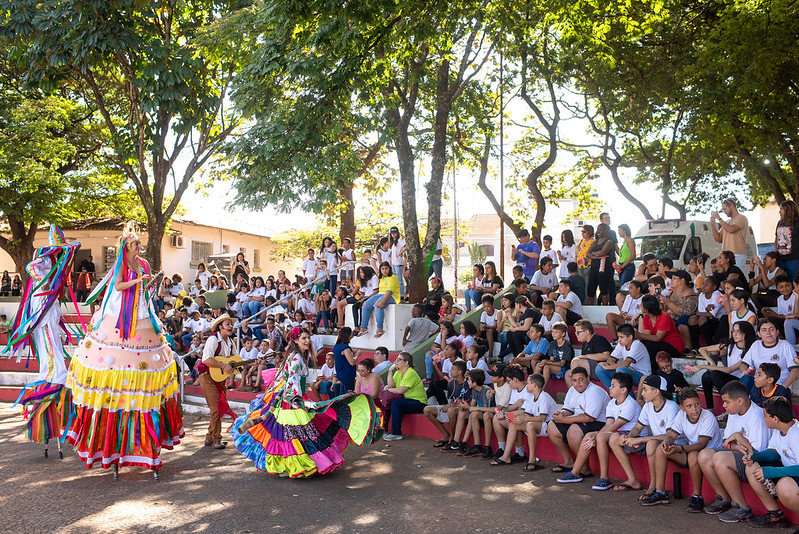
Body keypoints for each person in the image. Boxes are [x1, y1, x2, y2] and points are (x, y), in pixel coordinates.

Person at [63, 225, 184, 473]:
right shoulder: (122, 264)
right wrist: (137, 280)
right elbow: (118, 286)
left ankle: (143, 444)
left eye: (139, 244)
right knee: (115, 360)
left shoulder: (143, 263)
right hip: (121, 312)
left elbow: (144, 285)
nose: (139, 248)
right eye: (135, 245)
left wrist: (149, 281)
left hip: (141, 307)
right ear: (127, 247)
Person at [232, 328, 383, 477]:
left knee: (289, 434)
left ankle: (291, 465)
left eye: (308, 338)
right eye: (303, 338)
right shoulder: (296, 357)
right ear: (296, 340)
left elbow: (286, 377)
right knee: (294, 433)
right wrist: (296, 400)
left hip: (287, 397)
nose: (307, 340)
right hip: (291, 399)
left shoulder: (293, 355)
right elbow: (292, 380)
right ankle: (294, 465)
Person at [4, 226, 79, 449]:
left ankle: (56, 373)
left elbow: (71, 250)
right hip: (40, 310)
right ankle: (53, 374)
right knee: (47, 342)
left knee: (53, 340)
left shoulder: (56, 261)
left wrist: (64, 251)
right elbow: (31, 268)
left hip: (50, 308)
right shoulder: (41, 259)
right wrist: (48, 268)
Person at [696, 380, 770, 521]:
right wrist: (736, 445)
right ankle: (724, 499)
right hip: (739, 455)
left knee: (719, 458)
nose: (723, 405)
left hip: (754, 462)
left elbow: (755, 452)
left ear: (740, 400)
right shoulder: (733, 412)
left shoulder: (757, 416)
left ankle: (741, 507)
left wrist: (737, 439)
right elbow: (726, 442)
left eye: (726, 402)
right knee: (704, 455)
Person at [640, 388, 722, 507]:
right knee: (661, 449)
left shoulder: (708, 416)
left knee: (694, 455)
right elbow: (671, 435)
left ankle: (697, 496)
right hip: (690, 451)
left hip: (709, 454)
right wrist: (667, 442)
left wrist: (680, 449)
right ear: (682, 407)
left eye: (697, 404)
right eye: (689, 406)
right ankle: (660, 492)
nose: (694, 409)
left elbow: (701, 444)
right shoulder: (681, 415)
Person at [557, 372, 641, 489]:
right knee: (589, 435)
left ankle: (604, 478)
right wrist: (594, 435)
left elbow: (616, 426)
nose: (609, 387)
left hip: (630, 436)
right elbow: (609, 424)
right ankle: (575, 472)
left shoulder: (630, 404)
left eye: (613, 386)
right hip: (616, 434)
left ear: (623, 390)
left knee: (599, 437)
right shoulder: (612, 403)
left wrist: (597, 436)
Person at [608, 375, 682, 493]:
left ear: (656, 391)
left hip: (673, 446)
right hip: (654, 443)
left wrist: (640, 440)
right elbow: (637, 428)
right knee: (614, 438)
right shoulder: (648, 406)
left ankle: (653, 486)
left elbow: (669, 436)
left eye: (645, 389)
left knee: (651, 444)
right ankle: (632, 479)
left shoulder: (671, 407)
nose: (642, 393)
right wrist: (629, 437)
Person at [741, 396, 799, 528]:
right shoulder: (779, 429)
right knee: (751, 466)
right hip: (788, 471)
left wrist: (771, 472)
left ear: (775, 419)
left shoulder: (796, 434)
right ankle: (775, 514)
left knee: (784, 486)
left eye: (765, 415)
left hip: (794, 475)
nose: (764, 418)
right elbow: (774, 453)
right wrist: (754, 456)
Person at [548, 367, 609, 474]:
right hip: (578, 421)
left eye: (581, 379)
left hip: (599, 423)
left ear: (588, 379)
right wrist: (561, 414)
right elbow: (567, 409)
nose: (578, 383)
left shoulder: (595, 391)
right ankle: (569, 462)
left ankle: (585, 468)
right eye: (575, 380)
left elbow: (589, 417)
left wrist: (564, 420)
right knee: (552, 426)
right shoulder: (572, 390)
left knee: (574, 430)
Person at [492, 373, 557, 470]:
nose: (526, 385)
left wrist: (524, 419)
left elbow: (542, 418)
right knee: (514, 423)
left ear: (534, 385)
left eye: (528, 383)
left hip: (549, 425)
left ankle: (532, 460)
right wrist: (514, 417)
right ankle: (506, 456)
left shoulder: (544, 396)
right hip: (538, 424)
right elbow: (527, 413)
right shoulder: (532, 396)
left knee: (530, 425)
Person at [691, 320, 756, 410]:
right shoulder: (730, 345)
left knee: (714, 374)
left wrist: (703, 366)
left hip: (740, 382)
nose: (735, 334)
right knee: (706, 376)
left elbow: (729, 370)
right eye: (733, 331)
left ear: (746, 333)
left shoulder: (750, 350)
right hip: (728, 379)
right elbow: (702, 349)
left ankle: (730, 403)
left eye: (738, 331)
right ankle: (710, 409)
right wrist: (713, 364)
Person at [738, 318, 799, 391]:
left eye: (771, 329)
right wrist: (744, 371)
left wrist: (782, 388)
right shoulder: (756, 345)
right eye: (764, 330)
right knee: (746, 379)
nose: (768, 332)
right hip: (759, 385)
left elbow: (795, 370)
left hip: (778, 385)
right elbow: (744, 364)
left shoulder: (785, 345)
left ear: (777, 332)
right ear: (759, 334)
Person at [489, 364, 531, 464]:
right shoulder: (515, 390)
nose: (508, 383)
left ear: (515, 380)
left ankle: (518, 453)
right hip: (519, 416)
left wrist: (506, 415)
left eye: (509, 381)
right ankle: (502, 449)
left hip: (529, 419)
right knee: (496, 418)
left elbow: (525, 411)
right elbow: (510, 408)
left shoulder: (527, 390)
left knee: (513, 421)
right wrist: (516, 405)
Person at [466, 363, 510, 460]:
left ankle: (487, 447)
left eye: (493, 375)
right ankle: (477, 445)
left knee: (486, 415)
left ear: (502, 378)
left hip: (503, 412)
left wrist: (478, 408)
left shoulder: (508, 388)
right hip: (496, 412)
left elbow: (498, 409)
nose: (490, 377)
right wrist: (493, 391)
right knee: (474, 414)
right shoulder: (495, 383)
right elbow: (498, 392)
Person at [382, 352, 427, 441]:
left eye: (399, 360)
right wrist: (390, 371)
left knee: (395, 403)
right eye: (396, 359)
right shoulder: (398, 372)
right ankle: (385, 429)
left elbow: (400, 390)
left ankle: (396, 433)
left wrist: (387, 389)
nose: (396, 362)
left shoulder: (410, 372)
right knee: (388, 403)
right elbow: (391, 385)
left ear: (406, 363)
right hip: (407, 401)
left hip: (419, 402)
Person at [426, 360, 469, 451]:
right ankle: (445, 435)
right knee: (427, 410)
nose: (450, 370)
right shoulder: (451, 383)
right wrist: (450, 404)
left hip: (464, 409)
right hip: (454, 407)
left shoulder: (468, 383)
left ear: (459, 372)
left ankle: (453, 439)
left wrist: (451, 405)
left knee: (451, 410)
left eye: (453, 369)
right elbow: (452, 400)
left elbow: (466, 402)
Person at [595, 324, 652, 389]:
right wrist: (624, 367)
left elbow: (625, 363)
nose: (619, 340)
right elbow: (610, 359)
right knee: (599, 369)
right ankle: (614, 392)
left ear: (630, 337)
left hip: (642, 376)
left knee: (621, 370)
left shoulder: (637, 344)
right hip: (629, 372)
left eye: (621, 337)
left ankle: (629, 397)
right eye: (618, 337)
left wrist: (608, 367)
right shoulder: (621, 344)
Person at [637, 294, 684, 368]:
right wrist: (639, 336)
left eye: (642, 305)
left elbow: (658, 338)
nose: (640, 306)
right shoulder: (646, 317)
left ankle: (653, 372)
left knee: (651, 346)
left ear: (647, 307)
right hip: (659, 344)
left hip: (673, 347)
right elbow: (647, 336)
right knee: (643, 344)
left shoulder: (664, 316)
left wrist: (638, 334)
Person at [660, 270, 698, 351]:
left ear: (682, 281)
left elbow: (687, 312)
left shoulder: (690, 294)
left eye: (674, 278)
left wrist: (669, 303)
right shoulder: (671, 293)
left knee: (682, 319)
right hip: (669, 319)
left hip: (681, 320)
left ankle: (688, 346)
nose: (671, 280)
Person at [358, 262, 399, 338]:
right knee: (365, 305)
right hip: (380, 295)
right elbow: (380, 292)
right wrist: (367, 301)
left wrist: (382, 301)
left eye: (386, 268)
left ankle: (380, 329)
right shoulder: (382, 278)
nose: (384, 270)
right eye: (382, 269)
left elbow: (389, 292)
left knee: (378, 305)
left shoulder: (392, 278)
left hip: (392, 296)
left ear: (389, 269)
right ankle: (363, 328)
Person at [711, 198, 749, 272]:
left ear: (731, 206)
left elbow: (731, 230)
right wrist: (712, 225)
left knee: (735, 280)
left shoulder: (741, 218)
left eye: (725, 209)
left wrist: (719, 218)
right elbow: (718, 239)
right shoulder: (727, 222)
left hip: (737, 255)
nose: (724, 212)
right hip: (725, 257)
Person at [568, 319, 611, 384]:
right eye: (575, 333)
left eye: (578, 332)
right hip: (592, 369)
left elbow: (606, 355)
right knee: (568, 374)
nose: (576, 335)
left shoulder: (598, 339)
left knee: (576, 361)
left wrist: (586, 356)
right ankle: (576, 393)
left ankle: (582, 389)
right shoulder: (585, 344)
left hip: (602, 370)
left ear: (586, 332)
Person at [535, 322, 574, 388]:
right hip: (555, 366)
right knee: (539, 365)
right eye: (553, 332)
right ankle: (533, 384)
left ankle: (542, 389)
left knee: (547, 366)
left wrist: (547, 362)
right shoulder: (553, 343)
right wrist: (545, 361)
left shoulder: (567, 346)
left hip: (564, 369)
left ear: (563, 334)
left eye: (556, 332)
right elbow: (551, 359)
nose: (553, 334)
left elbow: (562, 364)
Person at [586, 223, 616, 305]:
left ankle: (605, 309)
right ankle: (589, 310)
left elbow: (602, 252)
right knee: (590, 289)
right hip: (594, 267)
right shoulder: (595, 242)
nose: (598, 231)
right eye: (597, 230)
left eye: (600, 230)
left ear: (605, 231)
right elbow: (587, 254)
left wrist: (594, 254)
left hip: (604, 269)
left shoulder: (609, 242)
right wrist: (596, 256)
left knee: (603, 290)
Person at [764, 274, 798, 343]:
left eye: (787, 285)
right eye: (781, 287)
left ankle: (790, 345)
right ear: (777, 289)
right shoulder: (779, 299)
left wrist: (775, 315)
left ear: (792, 285)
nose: (785, 289)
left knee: (787, 321)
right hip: (785, 323)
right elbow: (781, 316)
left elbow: (794, 316)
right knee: (768, 320)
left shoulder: (795, 296)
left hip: (794, 324)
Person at [775, 199, 799, 281]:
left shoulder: (797, 223)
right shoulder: (780, 222)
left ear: (788, 209)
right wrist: (775, 254)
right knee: (780, 281)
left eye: (781, 209)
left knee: (794, 282)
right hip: (781, 259)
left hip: (794, 259)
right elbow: (776, 239)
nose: (779, 212)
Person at [696, 276, 724, 346]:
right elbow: (700, 313)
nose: (703, 286)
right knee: (692, 319)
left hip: (721, 321)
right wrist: (704, 312)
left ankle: (709, 345)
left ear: (714, 287)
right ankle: (695, 347)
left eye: (707, 284)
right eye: (703, 284)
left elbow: (712, 314)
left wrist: (703, 313)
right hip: (710, 320)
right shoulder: (701, 295)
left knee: (702, 320)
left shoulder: (719, 295)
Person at [332, 327, 358, 396]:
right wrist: (358, 355)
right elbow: (352, 362)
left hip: (340, 374)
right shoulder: (345, 348)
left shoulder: (336, 346)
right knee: (347, 396)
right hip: (347, 375)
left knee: (341, 396)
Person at [388, 227, 407, 299]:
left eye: (394, 233)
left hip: (398, 262)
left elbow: (406, 246)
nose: (393, 235)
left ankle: (402, 295)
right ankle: (396, 294)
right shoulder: (393, 241)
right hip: (394, 262)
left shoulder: (399, 240)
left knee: (399, 280)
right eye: (392, 233)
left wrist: (401, 253)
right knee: (395, 279)